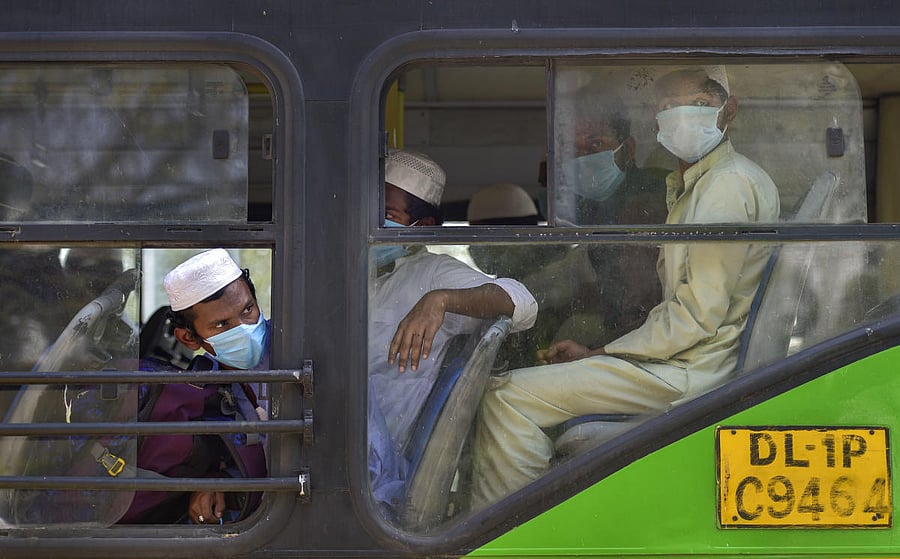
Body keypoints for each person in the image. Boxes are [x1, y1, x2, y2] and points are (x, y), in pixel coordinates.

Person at [469, 66, 781, 508]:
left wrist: (603, 355)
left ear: (729, 111)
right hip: (688, 357)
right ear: (656, 123)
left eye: (699, 105)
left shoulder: (724, 187)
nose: (682, 117)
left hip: (692, 369)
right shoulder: (696, 185)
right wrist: (599, 355)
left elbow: (694, 318)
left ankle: (510, 541)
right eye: (669, 108)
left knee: (508, 398)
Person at [368, 150, 538, 514]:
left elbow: (522, 303)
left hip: (373, 464)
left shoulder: (434, 274)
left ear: (424, 224)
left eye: (387, 215)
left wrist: (440, 300)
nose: (373, 224)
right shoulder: (356, 273)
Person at [121, 249, 269, 525]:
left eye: (248, 309)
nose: (245, 328)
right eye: (222, 324)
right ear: (189, 338)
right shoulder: (201, 388)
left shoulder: (295, 350)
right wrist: (218, 481)